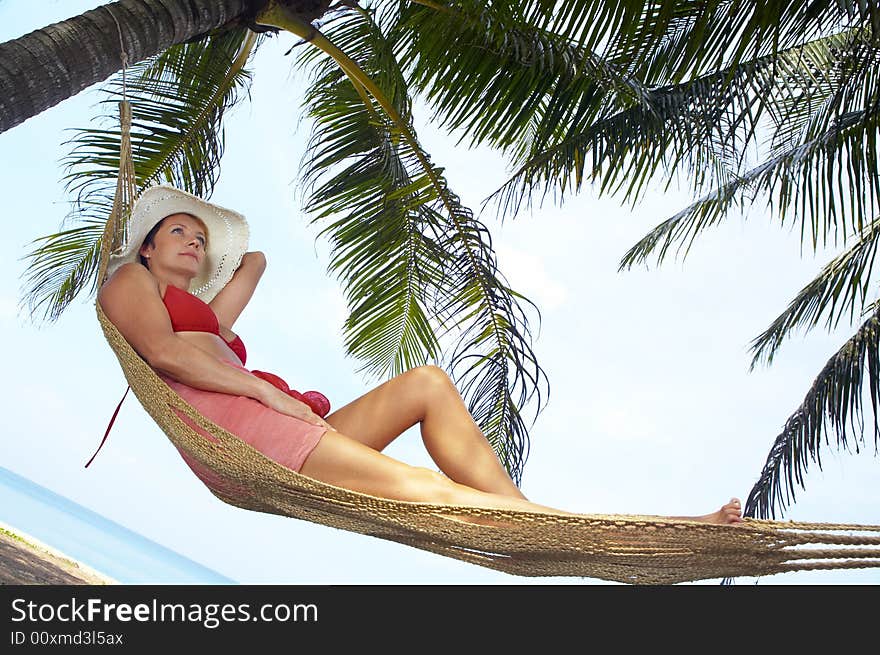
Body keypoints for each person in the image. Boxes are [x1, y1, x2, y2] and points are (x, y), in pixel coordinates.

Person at [97, 185, 744, 526]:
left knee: (428, 382)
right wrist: (263, 391)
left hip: (278, 429)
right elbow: (160, 353)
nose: (192, 238)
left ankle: (529, 516)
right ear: (145, 247)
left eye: (201, 236)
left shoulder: (207, 319)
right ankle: (622, 532)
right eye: (176, 229)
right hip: (240, 433)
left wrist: (213, 258)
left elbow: (255, 262)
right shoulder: (131, 282)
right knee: (431, 492)